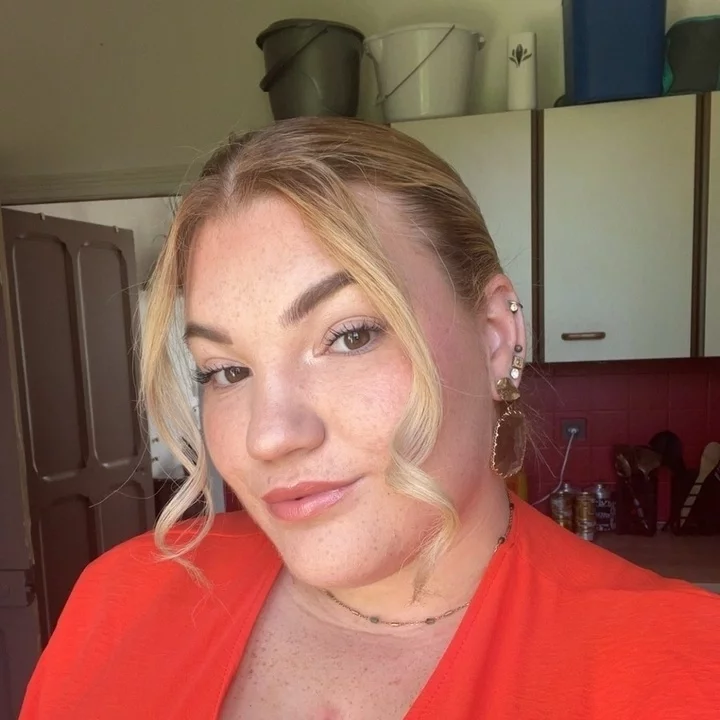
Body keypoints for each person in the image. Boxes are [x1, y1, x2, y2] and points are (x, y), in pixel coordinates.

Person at [20, 117, 720, 720]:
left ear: (493, 337)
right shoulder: (118, 602)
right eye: (225, 371)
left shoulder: (682, 669)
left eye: (350, 335)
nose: (269, 436)